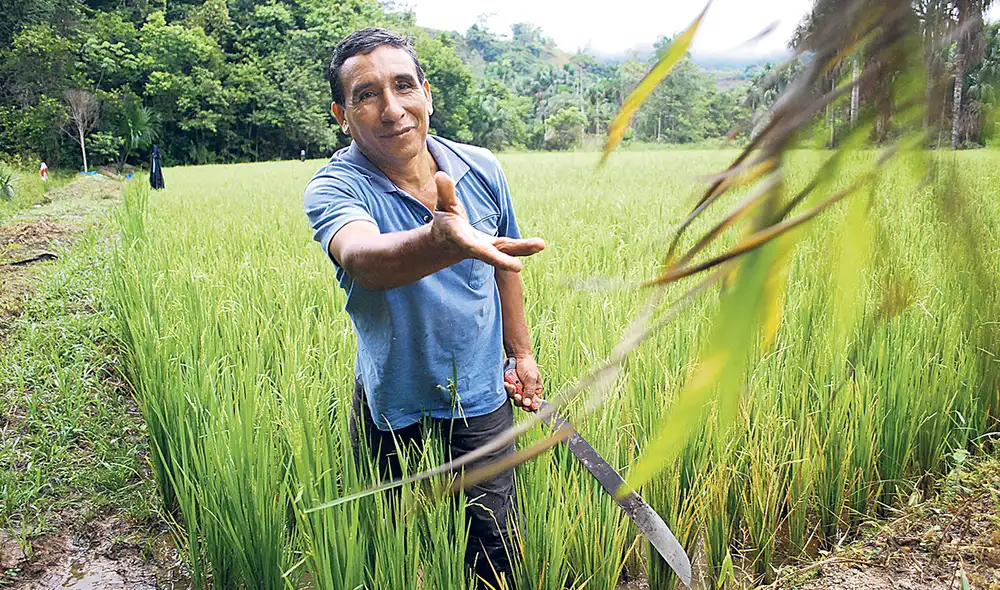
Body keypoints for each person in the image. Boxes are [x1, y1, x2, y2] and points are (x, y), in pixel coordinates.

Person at [302, 27, 546, 589]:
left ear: (427, 93)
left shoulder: (481, 167)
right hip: (393, 394)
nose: (392, 109)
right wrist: (442, 240)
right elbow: (364, 259)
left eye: (403, 85)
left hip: (481, 392)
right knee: (394, 539)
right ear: (342, 114)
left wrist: (523, 354)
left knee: (493, 544)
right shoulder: (336, 186)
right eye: (366, 95)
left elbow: (502, 262)